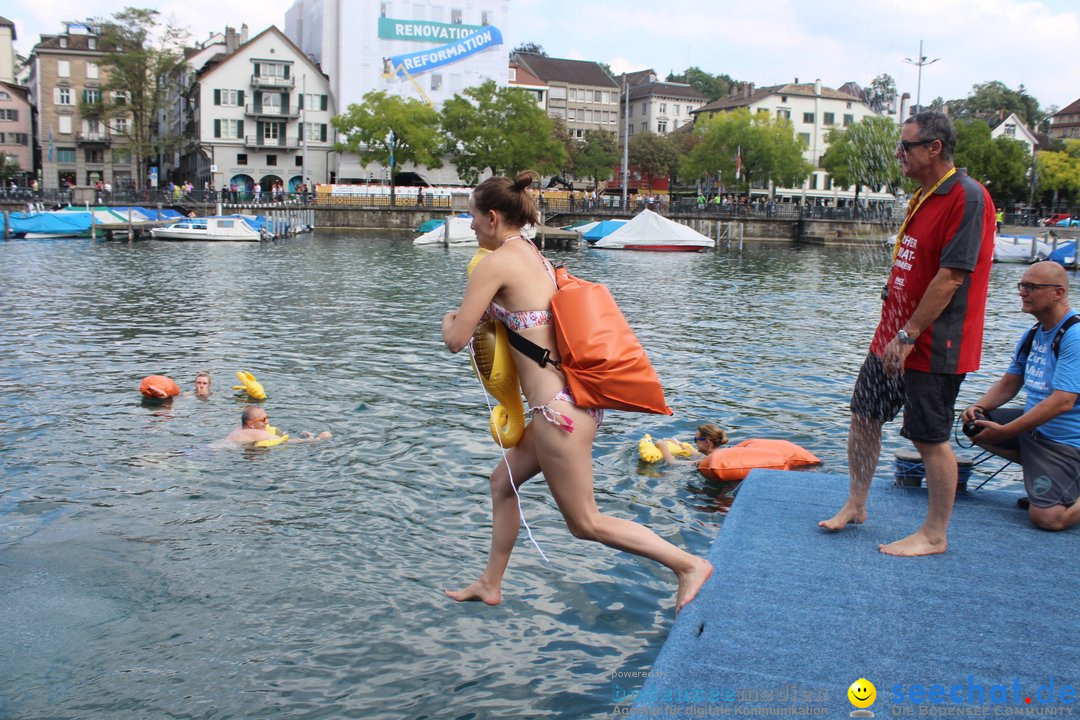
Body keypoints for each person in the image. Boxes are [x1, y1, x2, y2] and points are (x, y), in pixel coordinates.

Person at [441, 172, 713, 611]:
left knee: (585, 521)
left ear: (492, 217)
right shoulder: (532, 254)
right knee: (502, 483)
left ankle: (687, 565)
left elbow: (456, 339)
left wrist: (448, 318)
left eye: (472, 216)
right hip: (568, 404)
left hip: (556, 414)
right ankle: (490, 583)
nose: (469, 225)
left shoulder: (495, 262)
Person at [819, 110, 996, 556]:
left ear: (934, 148)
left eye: (906, 146)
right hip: (893, 336)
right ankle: (857, 503)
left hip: (933, 343)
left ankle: (935, 534)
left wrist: (910, 333)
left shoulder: (967, 198)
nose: (899, 153)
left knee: (928, 436)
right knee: (864, 416)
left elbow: (952, 276)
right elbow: (918, 263)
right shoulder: (924, 195)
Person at [963, 262, 1080, 531]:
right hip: (1037, 430)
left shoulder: (1074, 336)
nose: (1023, 292)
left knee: (1047, 519)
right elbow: (1009, 383)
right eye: (1022, 286)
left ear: (1058, 292)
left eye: (1032, 287)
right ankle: (1048, 474)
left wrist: (1006, 431)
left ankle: (1062, 479)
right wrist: (978, 406)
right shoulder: (1034, 334)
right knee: (975, 425)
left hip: (1066, 440)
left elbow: (1063, 401)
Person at [225, 406, 331, 446]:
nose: (267, 422)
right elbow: (285, 441)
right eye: (263, 419)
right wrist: (316, 439)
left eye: (267, 417)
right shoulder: (254, 433)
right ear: (251, 424)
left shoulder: (240, 430)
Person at [655, 424, 729, 464]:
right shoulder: (721, 452)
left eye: (696, 440)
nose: (695, 443)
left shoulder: (707, 460)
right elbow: (696, 453)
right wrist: (679, 444)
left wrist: (663, 446)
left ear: (707, 442)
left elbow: (671, 462)